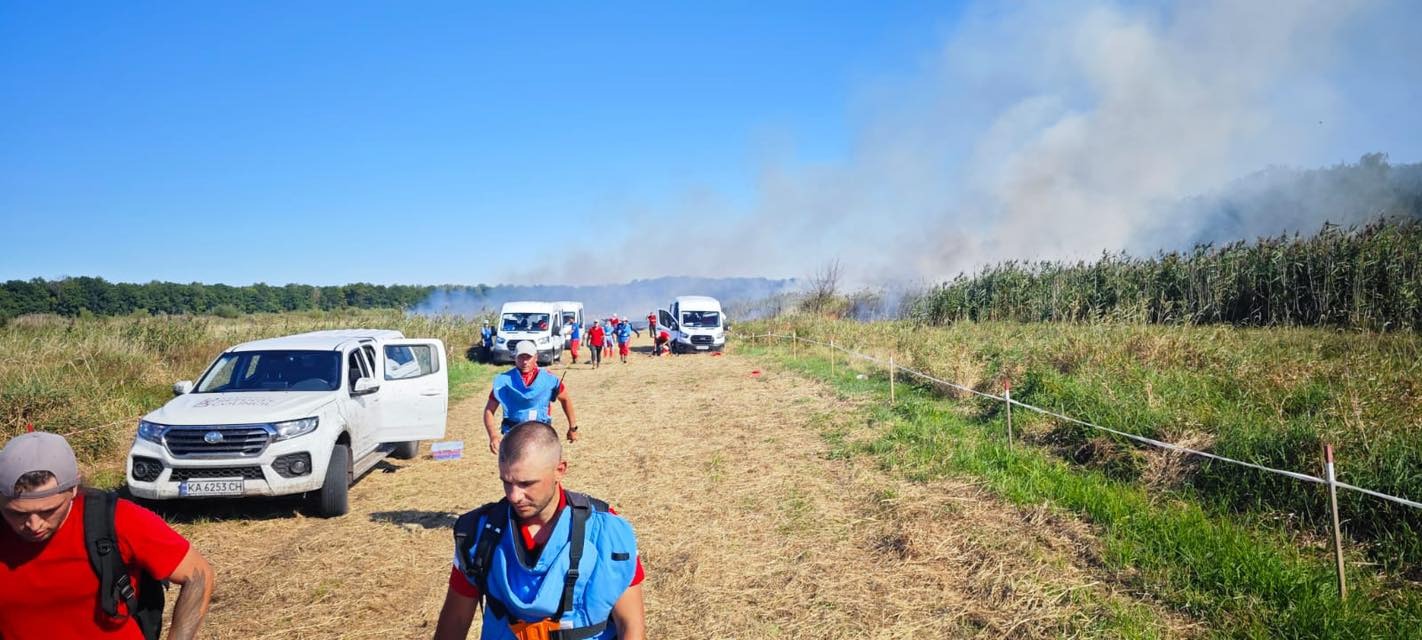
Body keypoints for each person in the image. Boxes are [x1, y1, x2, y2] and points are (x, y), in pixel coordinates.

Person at [433, 422, 645, 640]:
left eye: (526, 483)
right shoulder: (478, 534)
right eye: (507, 482)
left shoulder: (607, 531)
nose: (514, 496)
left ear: (559, 471)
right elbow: (456, 621)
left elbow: (631, 625)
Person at [0, 431, 216, 640]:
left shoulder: (116, 520)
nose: (33, 524)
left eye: (48, 511)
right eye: (17, 513)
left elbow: (198, 575)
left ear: (73, 489)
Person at [483, 341, 578, 455]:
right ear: (515, 358)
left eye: (528, 357)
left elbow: (565, 399)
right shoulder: (504, 381)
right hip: (514, 435)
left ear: (536, 357)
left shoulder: (549, 380)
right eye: (521, 357)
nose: (524, 362)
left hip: (541, 435)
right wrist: (493, 436)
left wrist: (572, 428)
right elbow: (489, 410)